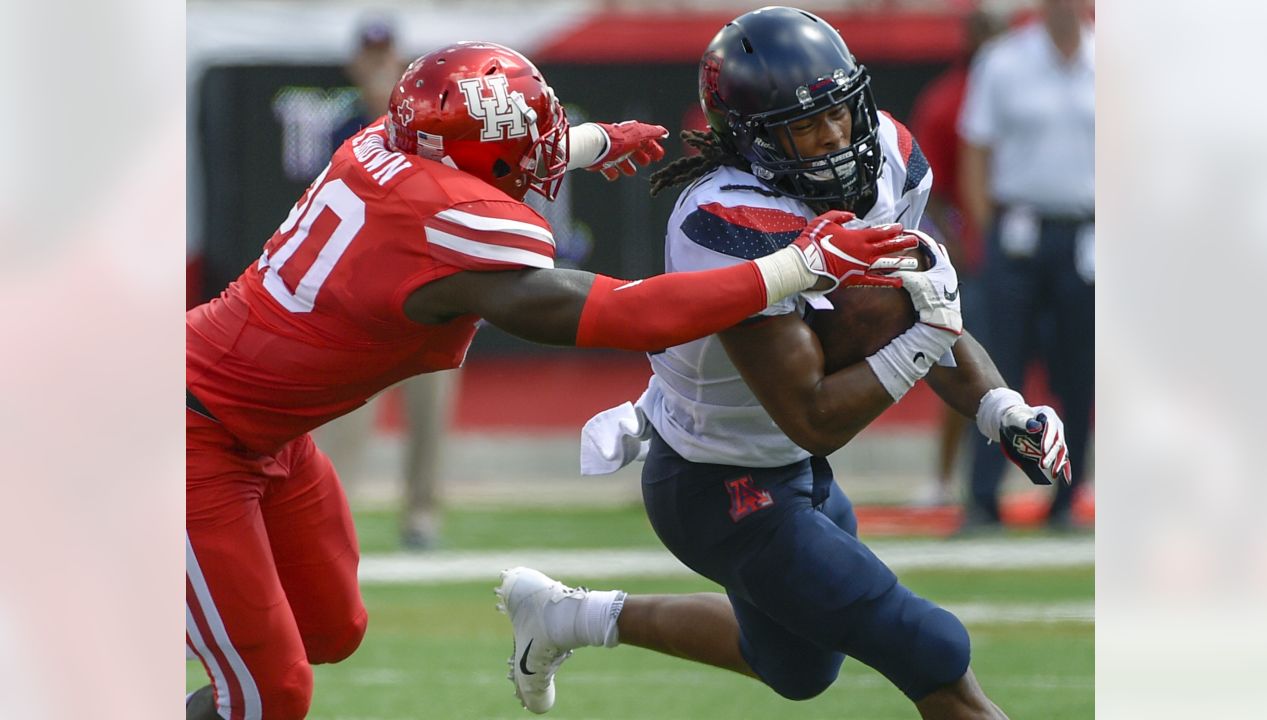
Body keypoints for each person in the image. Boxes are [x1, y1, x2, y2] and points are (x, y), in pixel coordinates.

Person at [185, 40, 925, 720]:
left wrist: (591, 142)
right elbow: (628, 316)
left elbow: (473, 154)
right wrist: (801, 266)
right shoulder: (448, 229)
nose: (545, 160)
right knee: (269, 694)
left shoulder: (388, 143)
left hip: (266, 434)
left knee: (331, 627)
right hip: (191, 437)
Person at [497, 8, 1071, 719]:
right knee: (931, 648)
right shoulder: (724, 221)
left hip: (790, 471)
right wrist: (926, 334)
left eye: (841, 113)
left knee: (795, 667)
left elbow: (915, 304)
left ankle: (566, 617)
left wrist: (1000, 407)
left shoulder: (888, 152)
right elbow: (814, 416)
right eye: (806, 126)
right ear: (749, 140)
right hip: (716, 484)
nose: (836, 139)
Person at [314, 18, 455, 550]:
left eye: (386, 56)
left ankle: (422, 515)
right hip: (365, 297)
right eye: (370, 56)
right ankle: (333, 512)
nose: (378, 65)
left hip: (428, 286)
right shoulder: (340, 125)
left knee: (430, 410)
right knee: (345, 414)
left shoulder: (433, 124)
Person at [956, 0, 1094, 531]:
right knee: (998, 362)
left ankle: (1068, 496)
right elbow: (977, 151)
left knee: (1078, 370)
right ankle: (983, 498)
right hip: (1017, 230)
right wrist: (982, 230)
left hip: (1086, 233)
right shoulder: (1005, 61)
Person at [907, 7, 1005, 507]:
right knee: (959, 355)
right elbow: (934, 190)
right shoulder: (947, 100)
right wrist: (955, 246)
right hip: (971, 248)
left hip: (1023, 244)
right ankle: (946, 476)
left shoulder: (1021, 91)